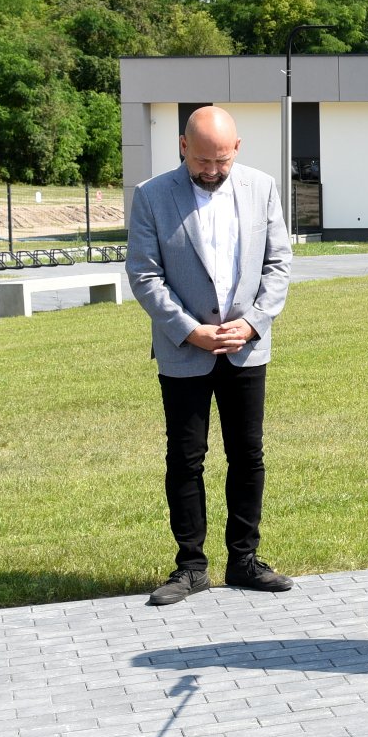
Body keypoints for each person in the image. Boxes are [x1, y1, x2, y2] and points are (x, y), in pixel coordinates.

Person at [126, 105, 294, 606]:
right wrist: (190, 330)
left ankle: (243, 561)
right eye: (202, 160)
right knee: (185, 457)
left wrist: (252, 322)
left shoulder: (261, 187)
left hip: (246, 348)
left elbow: (279, 264)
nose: (212, 170)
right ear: (183, 147)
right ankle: (191, 567)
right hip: (185, 352)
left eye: (222, 160)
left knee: (248, 456)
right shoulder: (152, 196)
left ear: (236, 150)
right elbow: (144, 274)